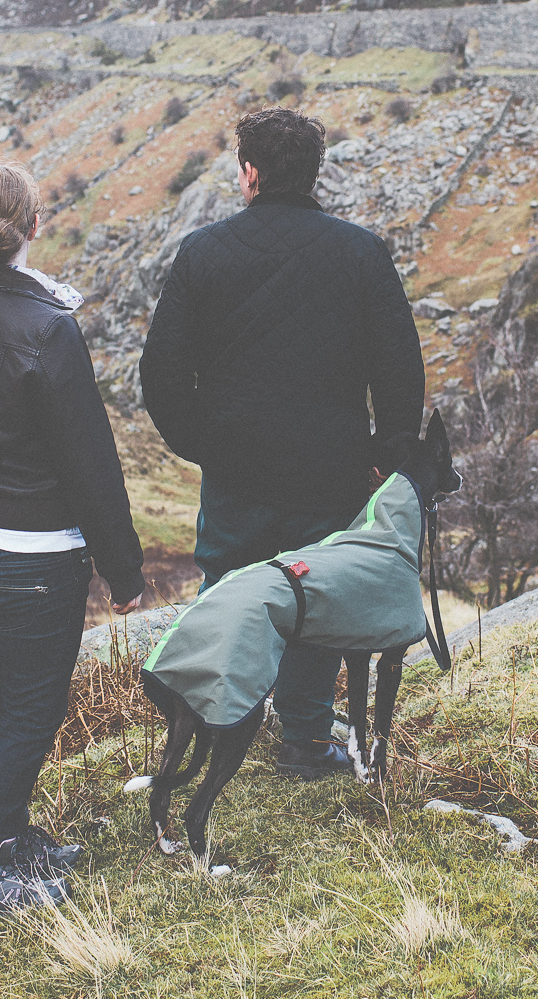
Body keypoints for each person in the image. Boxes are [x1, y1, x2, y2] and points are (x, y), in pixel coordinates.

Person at [140, 107, 424, 777]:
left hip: (237, 467)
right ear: (313, 172)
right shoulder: (360, 252)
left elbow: (161, 372)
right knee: (312, 594)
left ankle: (220, 724)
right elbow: (398, 364)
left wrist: (200, 442)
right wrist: (389, 448)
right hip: (332, 466)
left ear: (250, 172)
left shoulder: (203, 253)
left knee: (230, 591)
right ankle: (303, 736)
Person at [0, 158, 146, 923]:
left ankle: (8, 838)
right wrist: (123, 566)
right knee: (32, 707)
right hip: (34, 553)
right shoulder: (48, 330)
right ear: (33, 227)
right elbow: (90, 462)